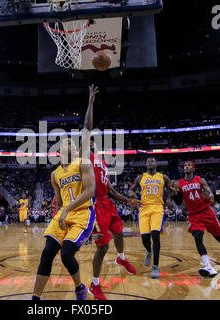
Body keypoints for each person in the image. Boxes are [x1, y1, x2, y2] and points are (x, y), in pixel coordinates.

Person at [82, 84, 140, 300]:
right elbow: (87, 127)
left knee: (119, 231)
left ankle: (122, 258)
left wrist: (127, 200)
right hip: (95, 207)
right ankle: (94, 285)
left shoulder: (102, 162)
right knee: (103, 247)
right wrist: (90, 102)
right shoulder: (86, 158)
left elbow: (110, 188)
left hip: (108, 203)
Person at [32, 120, 95, 300]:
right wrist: (58, 215)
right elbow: (59, 202)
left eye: (73, 143)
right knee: (47, 254)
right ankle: (35, 297)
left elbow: (90, 192)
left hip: (83, 213)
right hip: (64, 214)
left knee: (67, 255)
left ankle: (79, 287)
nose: (72, 144)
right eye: (68, 142)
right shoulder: (55, 174)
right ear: (59, 150)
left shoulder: (83, 163)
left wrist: (66, 209)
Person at [170, 161, 220, 277]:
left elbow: (212, 198)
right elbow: (179, 202)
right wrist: (174, 194)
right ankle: (208, 266)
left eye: (189, 165)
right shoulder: (179, 183)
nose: (186, 167)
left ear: (193, 168)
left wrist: (209, 196)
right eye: (184, 166)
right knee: (198, 237)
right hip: (194, 215)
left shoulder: (201, 180)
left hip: (206, 212)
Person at [128, 157, 173, 279]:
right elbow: (131, 190)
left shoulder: (163, 177)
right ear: (146, 164)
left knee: (155, 236)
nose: (150, 162)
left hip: (158, 208)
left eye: (152, 161)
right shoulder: (140, 177)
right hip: (143, 208)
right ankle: (148, 251)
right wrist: (132, 195)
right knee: (145, 239)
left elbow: (172, 190)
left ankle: (155, 267)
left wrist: (169, 199)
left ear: (156, 163)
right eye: (148, 161)